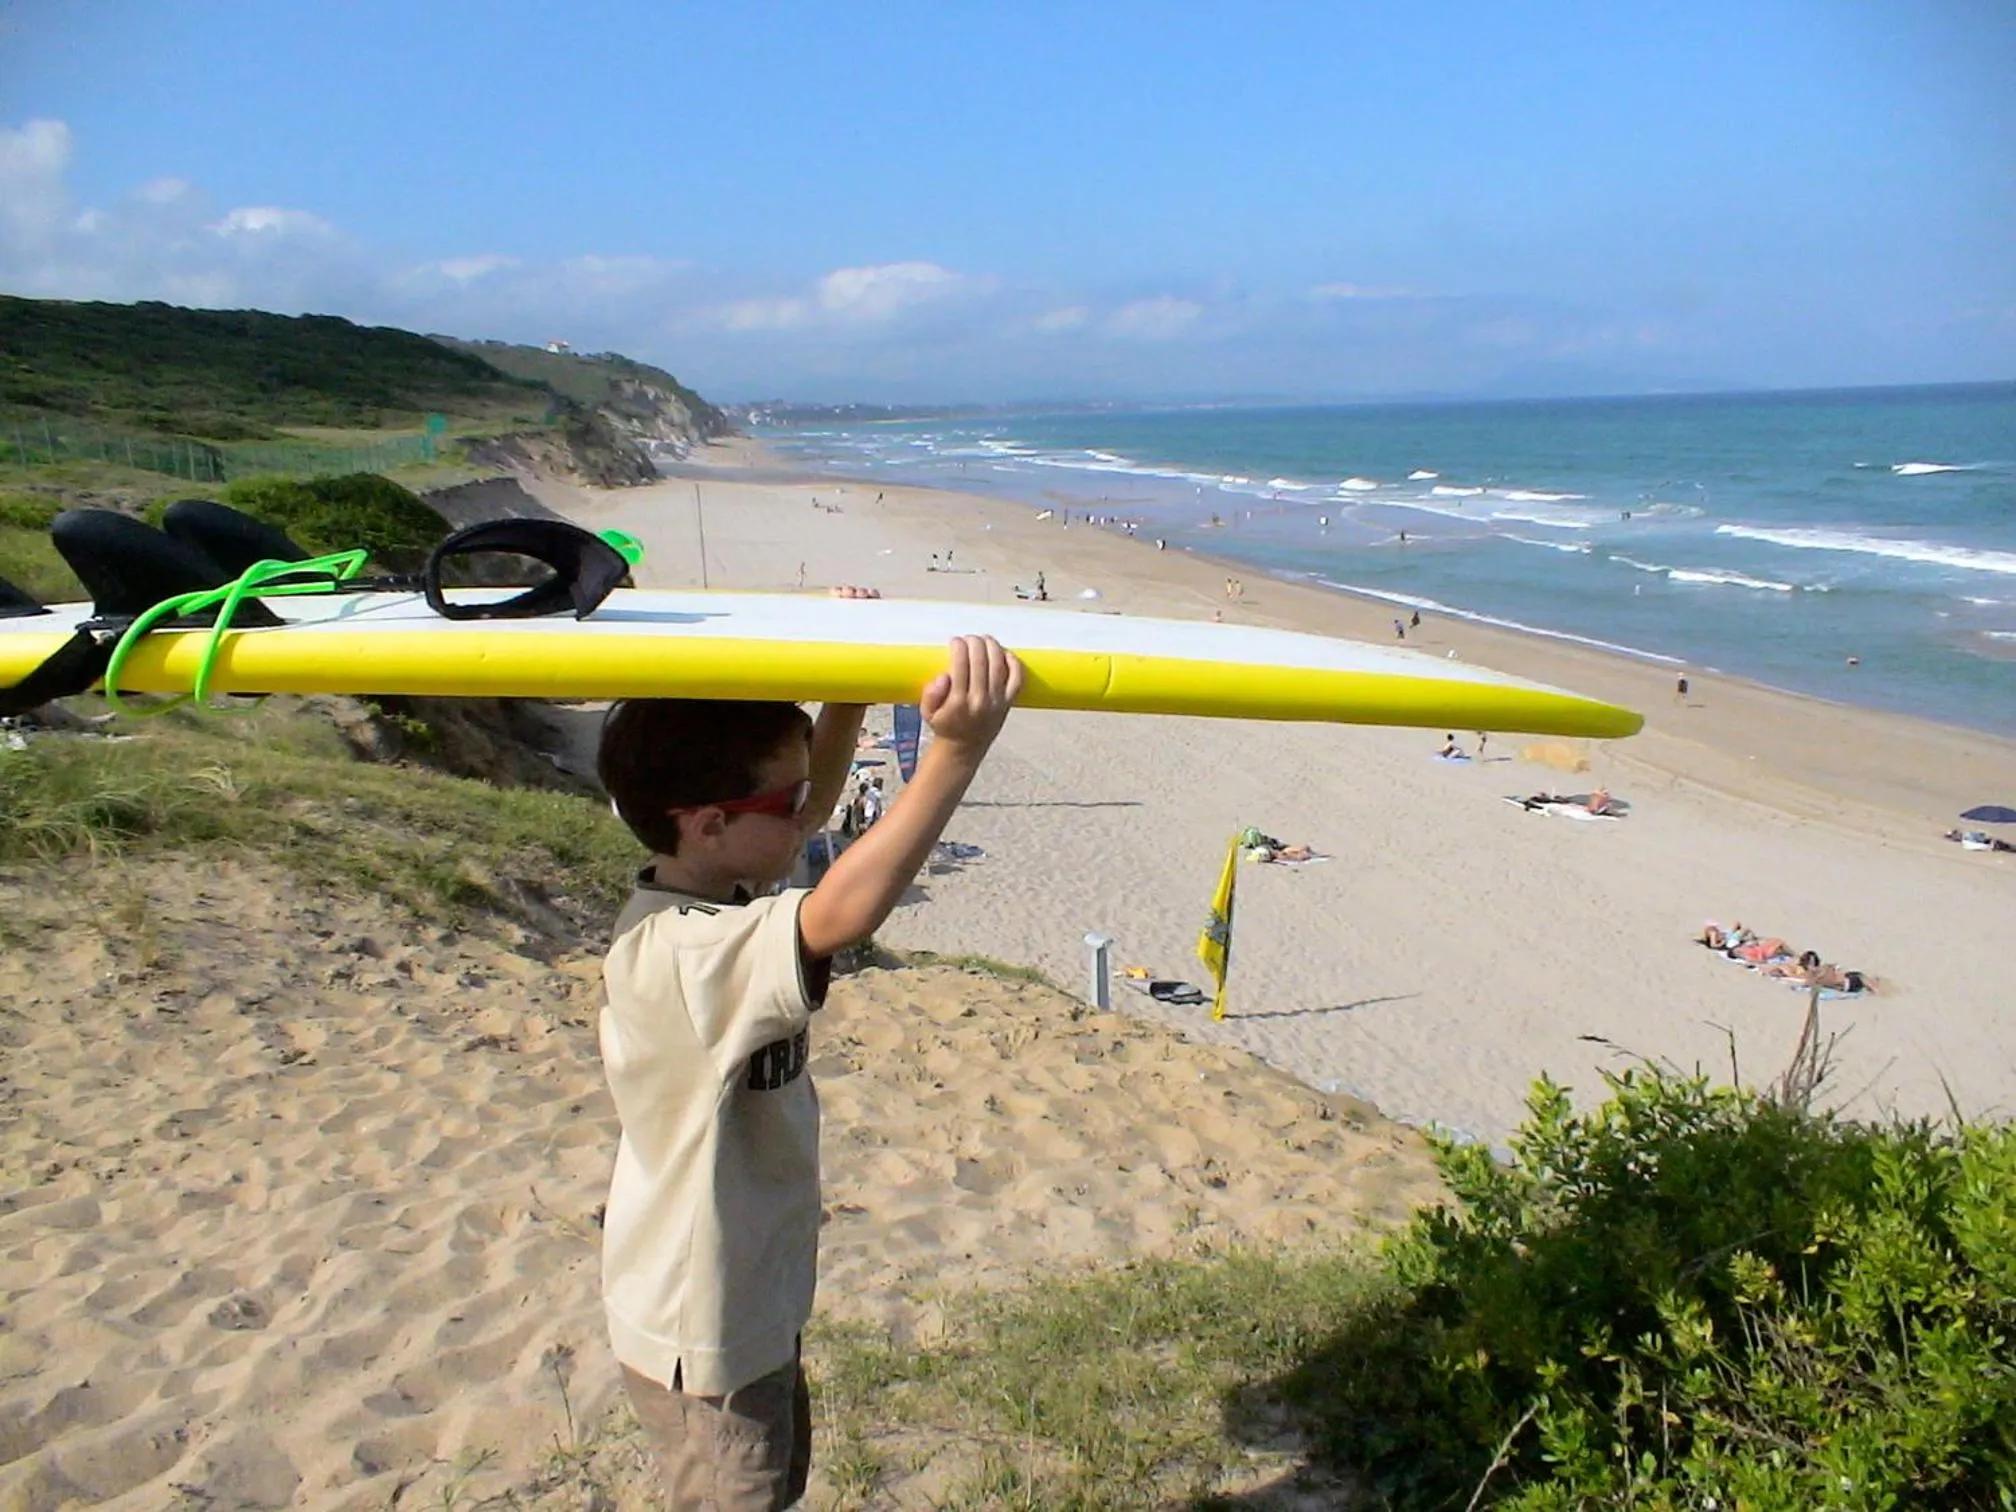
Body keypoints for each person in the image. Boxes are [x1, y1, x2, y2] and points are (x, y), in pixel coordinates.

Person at [594, 634, 1024, 1509]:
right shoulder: (683, 951)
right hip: (702, 1316)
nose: (811, 817)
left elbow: (799, 810)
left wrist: (848, 690)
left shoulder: (715, 885)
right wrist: (957, 750)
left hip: (747, 1290)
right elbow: (845, 913)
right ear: (709, 823)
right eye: (790, 803)